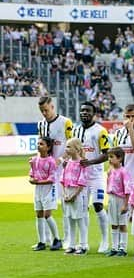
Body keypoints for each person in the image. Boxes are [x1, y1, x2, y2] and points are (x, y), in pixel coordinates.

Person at [72, 102, 111, 253]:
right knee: (82, 209)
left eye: (87, 111)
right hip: (81, 177)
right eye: (82, 110)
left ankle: (105, 240)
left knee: (98, 206)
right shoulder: (76, 130)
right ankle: (84, 243)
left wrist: (90, 162)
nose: (84, 113)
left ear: (94, 113)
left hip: (96, 176)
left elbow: (107, 154)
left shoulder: (101, 131)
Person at [37, 96, 73, 248]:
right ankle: (44, 240)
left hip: (64, 169)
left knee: (65, 204)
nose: (44, 113)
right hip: (48, 173)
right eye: (41, 111)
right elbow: (41, 146)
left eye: (46, 110)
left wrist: (61, 160)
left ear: (52, 106)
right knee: (42, 206)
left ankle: (67, 239)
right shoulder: (41, 124)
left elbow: (72, 144)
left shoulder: (66, 122)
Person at [29, 136, 61, 251]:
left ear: (48, 147)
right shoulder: (34, 160)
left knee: (47, 215)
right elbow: (31, 174)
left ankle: (57, 239)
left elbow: (52, 179)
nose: (38, 146)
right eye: (38, 144)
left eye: (41, 144)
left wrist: (38, 181)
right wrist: (31, 180)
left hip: (49, 189)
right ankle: (41, 241)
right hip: (38, 189)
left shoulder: (51, 161)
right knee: (39, 215)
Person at [61, 138, 89, 255]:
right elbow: (62, 180)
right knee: (70, 219)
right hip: (68, 192)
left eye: (69, 147)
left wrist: (73, 195)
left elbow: (82, 182)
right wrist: (65, 194)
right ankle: (71, 244)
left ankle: (83, 245)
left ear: (76, 149)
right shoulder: (67, 163)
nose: (66, 149)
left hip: (78, 194)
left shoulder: (82, 163)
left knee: (80, 220)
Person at [105, 147, 131, 257]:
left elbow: (127, 189)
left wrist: (125, 204)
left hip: (120, 199)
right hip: (112, 198)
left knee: (122, 224)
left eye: (112, 157)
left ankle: (122, 248)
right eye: (109, 157)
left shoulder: (123, 172)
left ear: (119, 158)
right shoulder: (110, 171)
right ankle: (114, 247)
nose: (109, 159)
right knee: (114, 224)